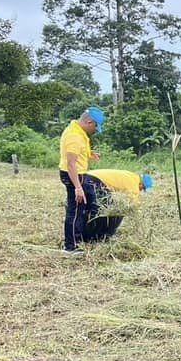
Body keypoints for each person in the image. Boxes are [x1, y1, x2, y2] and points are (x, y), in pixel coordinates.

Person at [59, 107, 105, 257]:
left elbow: (78, 152)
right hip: (73, 175)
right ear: (89, 121)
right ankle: (70, 247)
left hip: (79, 174)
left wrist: (90, 154)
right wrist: (77, 187)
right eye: (95, 126)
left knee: (83, 208)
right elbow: (71, 163)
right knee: (75, 210)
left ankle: (80, 238)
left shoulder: (78, 130)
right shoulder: (74, 136)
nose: (96, 130)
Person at [79, 169, 154, 243]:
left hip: (86, 177)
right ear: (141, 184)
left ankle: (89, 236)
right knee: (101, 210)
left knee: (93, 207)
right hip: (94, 180)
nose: (140, 191)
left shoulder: (132, 176)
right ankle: (92, 237)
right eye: (142, 189)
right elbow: (134, 204)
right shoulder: (133, 184)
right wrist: (140, 216)